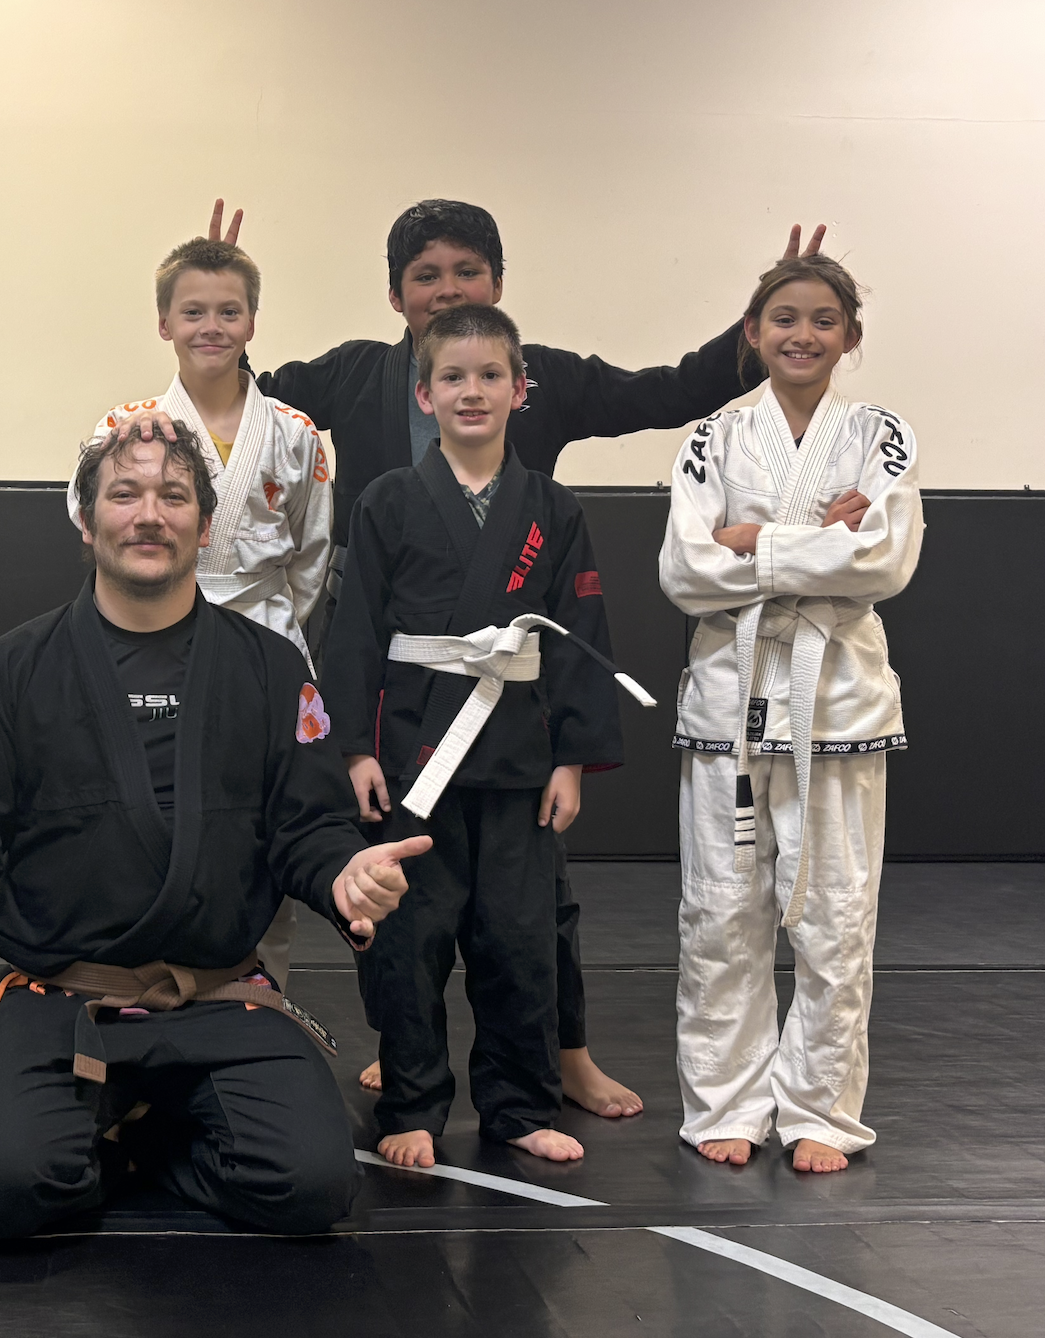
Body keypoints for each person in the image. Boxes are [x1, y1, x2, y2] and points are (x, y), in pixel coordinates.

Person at [199, 197, 824, 1116]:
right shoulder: (355, 374)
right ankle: (407, 1053)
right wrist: (220, 293)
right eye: (426, 276)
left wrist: (763, 324)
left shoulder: (544, 378)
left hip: (511, 685)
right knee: (397, 880)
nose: (447, 289)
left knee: (535, 897)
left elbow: (662, 392)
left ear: (499, 289)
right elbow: (245, 394)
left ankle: (562, 1053)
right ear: (395, 295)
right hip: (400, 675)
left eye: (467, 272)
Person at [0, 422, 432, 1237]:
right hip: (66, 999)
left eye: (174, 496)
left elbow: (309, 824)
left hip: (221, 995)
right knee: (1, 1186)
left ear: (205, 526)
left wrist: (341, 874)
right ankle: (131, 1144)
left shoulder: (270, 667)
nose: (149, 514)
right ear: (86, 521)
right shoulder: (18, 666)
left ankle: (147, 1143)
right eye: (125, 494)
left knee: (312, 1186)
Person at [322, 303, 637, 1168]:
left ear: (520, 389)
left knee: (520, 939)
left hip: (517, 761)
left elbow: (578, 634)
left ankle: (519, 1105)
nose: (473, 391)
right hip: (413, 757)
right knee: (408, 940)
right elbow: (355, 631)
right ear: (423, 394)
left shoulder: (553, 508)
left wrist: (572, 759)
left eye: (491, 375)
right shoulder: (387, 501)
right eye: (452, 377)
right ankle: (413, 1105)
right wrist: (354, 749)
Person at [658, 254, 921, 1174]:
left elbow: (884, 560)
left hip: (838, 700)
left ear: (850, 336)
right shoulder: (713, 437)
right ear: (752, 332)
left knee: (836, 915)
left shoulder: (882, 437)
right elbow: (687, 569)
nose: (802, 335)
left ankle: (821, 1110)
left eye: (822, 320)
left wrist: (755, 542)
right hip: (730, 698)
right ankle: (726, 1102)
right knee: (721, 912)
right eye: (783, 318)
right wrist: (821, 540)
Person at [68, 236, 332, 991]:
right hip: (150, 637)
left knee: (259, 822)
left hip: (260, 634)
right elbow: (93, 521)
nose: (210, 327)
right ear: (164, 324)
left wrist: (266, 627)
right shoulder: (126, 427)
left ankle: (261, 996)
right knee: (145, 815)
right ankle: (136, 992)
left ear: (252, 322)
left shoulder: (297, 433)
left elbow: (311, 557)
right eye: (192, 312)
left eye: (228, 311)